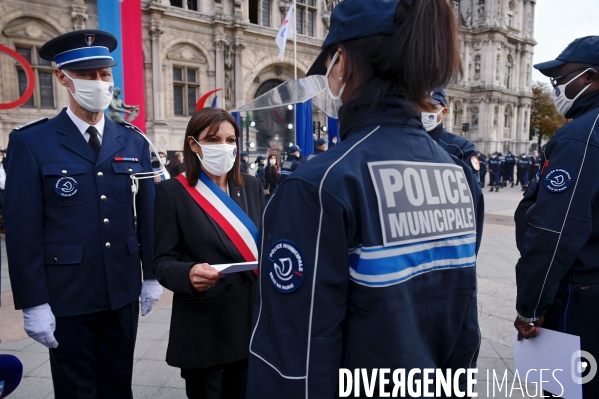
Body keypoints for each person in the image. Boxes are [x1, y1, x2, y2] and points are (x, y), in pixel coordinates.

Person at [247, 0, 479, 397]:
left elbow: (296, 357)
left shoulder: (319, 185)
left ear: (343, 62)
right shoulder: (453, 171)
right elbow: (464, 326)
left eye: (328, 66)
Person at [4, 29, 162, 398]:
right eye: (87, 75)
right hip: (67, 296)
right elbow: (23, 228)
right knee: (77, 390)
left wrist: (152, 274)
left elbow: (148, 213)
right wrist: (33, 302)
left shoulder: (133, 141)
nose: (99, 83)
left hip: (121, 291)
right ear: (63, 77)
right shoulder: (31, 142)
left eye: (105, 75)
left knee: (119, 385)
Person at [153, 108, 264, 399]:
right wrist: (188, 274)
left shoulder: (250, 186)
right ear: (194, 144)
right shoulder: (172, 193)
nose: (224, 147)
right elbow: (162, 261)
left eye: (230, 140)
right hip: (205, 326)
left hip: (250, 321)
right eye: (213, 139)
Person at [513, 35, 599, 398]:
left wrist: (531, 308)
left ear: (591, 77)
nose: (556, 87)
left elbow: (554, 231)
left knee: (567, 390)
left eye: (563, 78)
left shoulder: (579, 137)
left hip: (578, 297)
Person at [423, 88, 480, 179]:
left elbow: (473, 189)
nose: (424, 112)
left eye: (432, 108)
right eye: (421, 107)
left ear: (444, 112)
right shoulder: (404, 141)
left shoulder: (462, 147)